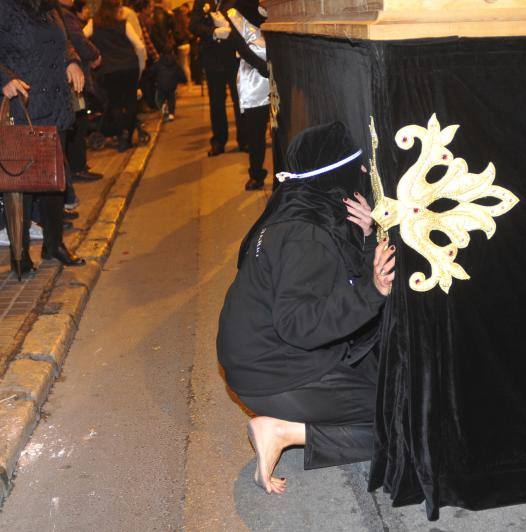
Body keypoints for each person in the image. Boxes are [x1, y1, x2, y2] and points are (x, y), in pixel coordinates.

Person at [217, 122, 395, 494]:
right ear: (335, 175)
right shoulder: (306, 236)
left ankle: (287, 421)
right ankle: (284, 431)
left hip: (262, 360)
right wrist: (374, 290)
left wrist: (362, 241)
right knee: (400, 419)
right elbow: (298, 324)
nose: (363, 172)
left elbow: (328, 285)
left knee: (382, 389)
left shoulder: (298, 212)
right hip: (274, 371)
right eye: (356, 165)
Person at [0, 0, 86, 272]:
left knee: (54, 179)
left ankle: (54, 244)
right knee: (21, 182)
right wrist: (4, 79)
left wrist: (72, 61)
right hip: (22, 105)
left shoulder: (49, 6)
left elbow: (65, 41)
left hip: (54, 103)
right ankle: (20, 253)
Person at [216, 0, 269, 190]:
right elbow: (241, 46)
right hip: (255, 76)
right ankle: (256, 173)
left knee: (280, 129)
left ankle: (282, 177)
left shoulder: (269, 6)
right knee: (256, 130)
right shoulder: (232, 11)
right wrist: (264, 67)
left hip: (275, 71)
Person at [85, 0, 146, 152]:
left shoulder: (93, 24)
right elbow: (139, 45)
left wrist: (93, 56)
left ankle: (120, 136)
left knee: (115, 105)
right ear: (115, 9)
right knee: (131, 103)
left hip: (108, 70)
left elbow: (81, 38)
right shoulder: (124, 24)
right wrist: (141, 66)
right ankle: (128, 137)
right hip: (129, 67)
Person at [189, 0, 243, 157]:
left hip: (234, 57)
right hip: (212, 59)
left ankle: (244, 139)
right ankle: (219, 141)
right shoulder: (201, 2)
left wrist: (229, 28)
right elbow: (193, 25)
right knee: (216, 102)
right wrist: (212, 31)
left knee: (239, 99)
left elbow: (246, 21)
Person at [59, 0, 103, 182]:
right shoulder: (63, 14)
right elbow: (77, 40)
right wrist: (94, 55)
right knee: (78, 121)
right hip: (70, 78)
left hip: (63, 76)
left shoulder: (56, 12)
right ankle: (77, 168)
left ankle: (75, 168)